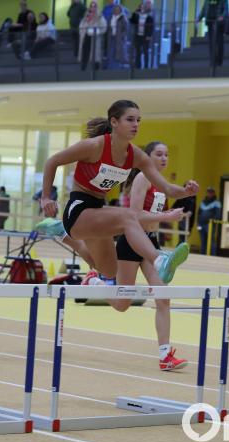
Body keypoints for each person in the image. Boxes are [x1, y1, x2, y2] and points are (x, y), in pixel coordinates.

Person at [39, 100, 198, 306]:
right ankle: (160, 260)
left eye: (138, 120)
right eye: (130, 120)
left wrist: (185, 191)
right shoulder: (94, 146)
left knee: (109, 270)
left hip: (97, 212)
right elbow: (52, 161)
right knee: (129, 216)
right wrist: (46, 197)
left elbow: (167, 188)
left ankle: (66, 238)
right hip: (78, 210)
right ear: (114, 122)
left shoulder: (136, 156)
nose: (136, 125)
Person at [114, 141, 189, 371]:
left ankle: (165, 356)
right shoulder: (142, 178)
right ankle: (95, 282)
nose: (164, 158)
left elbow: (153, 215)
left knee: (163, 297)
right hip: (132, 242)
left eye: (167, 154)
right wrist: (167, 216)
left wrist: (169, 213)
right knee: (122, 304)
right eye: (159, 154)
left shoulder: (160, 183)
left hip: (151, 243)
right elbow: (135, 215)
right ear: (147, 157)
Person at [198, 0, 228, 66]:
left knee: (219, 43)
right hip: (210, 22)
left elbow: (226, 10)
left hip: (219, 24)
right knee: (211, 43)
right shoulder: (207, 1)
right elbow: (204, 9)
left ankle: (219, 61)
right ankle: (213, 61)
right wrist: (199, 18)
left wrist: (222, 16)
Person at [79, 1, 107, 71]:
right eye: (91, 6)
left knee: (95, 53)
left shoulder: (100, 16)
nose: (93, 7)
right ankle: (83, 67)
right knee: (85, 52)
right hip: (86, 37)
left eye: (94, 6)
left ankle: (96, 69)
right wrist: (83, 31)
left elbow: (104, 27)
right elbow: (81, 25)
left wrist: (97, 31)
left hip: (95, 37)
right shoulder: (86, 16)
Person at [130, 0, 155, 69]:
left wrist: (149, 36)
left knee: (145, 51)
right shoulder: (137, 16)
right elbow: (131, 21)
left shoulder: (149, 17)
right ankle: (138, 66)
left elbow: (151, 28)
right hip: (138, 36)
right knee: (138, 52)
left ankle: (146, 66)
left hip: (145, 37)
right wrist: (135, 12)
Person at [197, 187, 222, 255]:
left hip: (210, 225)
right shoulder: (203, 202)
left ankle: (212, 255)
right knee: (202, 240)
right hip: (201, 224)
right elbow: (198, 213)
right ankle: (202, 255)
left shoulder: (217, 203)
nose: (209, 193)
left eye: (211, 192)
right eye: (208, 192)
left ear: (214, 193)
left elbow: (218, 214)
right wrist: (198, 224)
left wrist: (213, 221)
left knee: (211, 240)